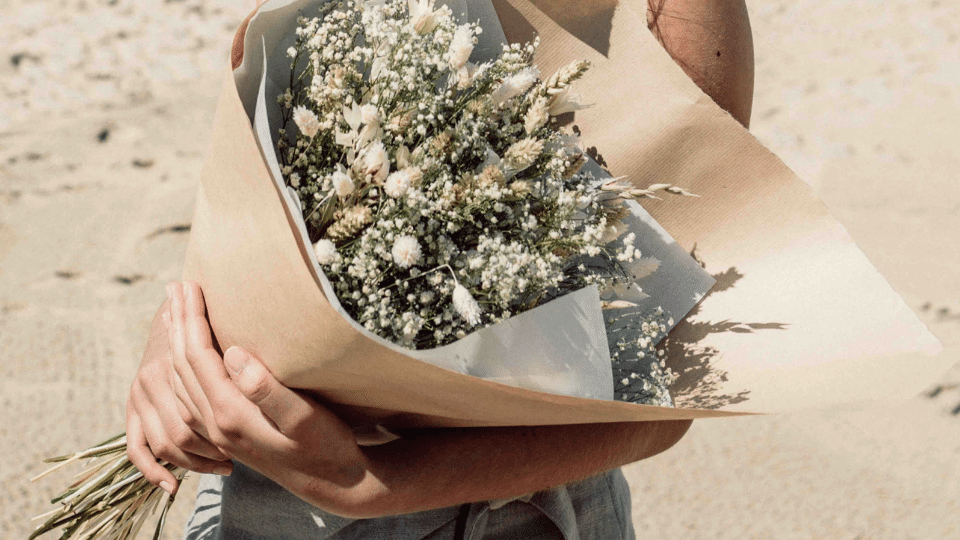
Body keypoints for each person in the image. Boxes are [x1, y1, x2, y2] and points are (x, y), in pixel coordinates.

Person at [126, 1, 754, 538]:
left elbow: (665, 377)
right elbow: (261, 188)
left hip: (529, 517)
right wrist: (176, 347)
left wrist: (373, 483)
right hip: (268, 509)